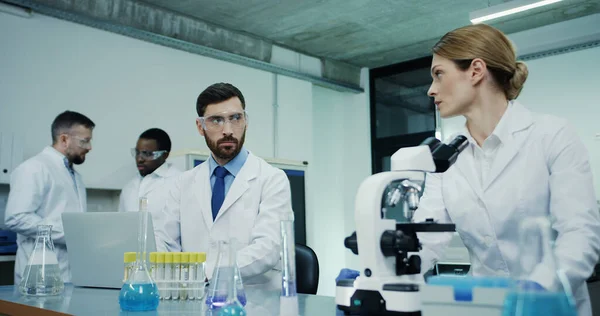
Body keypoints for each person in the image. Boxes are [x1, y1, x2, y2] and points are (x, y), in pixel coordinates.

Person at [413, 24, 600, 315]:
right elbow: (426, 237)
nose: (431, 89)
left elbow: (579, 234)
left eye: (439, 74)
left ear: (476, 71)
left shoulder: (551, 134)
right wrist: (384, 274)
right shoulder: (446, 157)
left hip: (553, 307)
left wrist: (540, 287)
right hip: (488, 309)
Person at [154, 82, 294, 290]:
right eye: (216, 120)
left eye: (235, 118)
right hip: (194, 300)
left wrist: (202, 273)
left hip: (255, 301)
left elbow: (268, 249)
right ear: (200, 126)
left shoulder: (272, 179)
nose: (228, 130)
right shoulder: (183, 184)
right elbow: (165, 242)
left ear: (245, 121)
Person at [5, 110, 95, 285]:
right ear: (64, 139)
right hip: (38, 277)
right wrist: (70, 233)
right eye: (85, 141)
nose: (90, 147)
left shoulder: (75, 177)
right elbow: (16, 218)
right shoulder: (34, 168)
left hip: (70, 275)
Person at [118, 128, 181, 220]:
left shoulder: (179, 183)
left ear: (165, 155)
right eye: (137, 152)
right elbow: (121, 223)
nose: (139, 159)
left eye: (147, 154)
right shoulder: (129, 187)